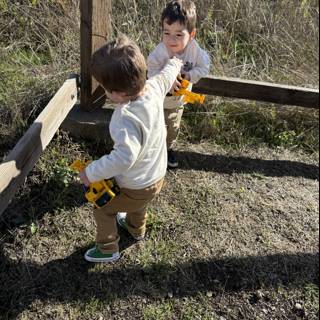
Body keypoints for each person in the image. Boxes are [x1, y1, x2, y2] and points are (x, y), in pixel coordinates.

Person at [79, 35, 183, 263]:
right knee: (139, 203)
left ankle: (108, 248)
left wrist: (91, 172)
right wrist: (175, 62)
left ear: (119, 94)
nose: (106, 93)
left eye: (106, 88)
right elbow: (166, 76)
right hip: (156, 175)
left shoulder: (125, 118)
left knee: (103, 208)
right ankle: (136, 228)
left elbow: (123, 158)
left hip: (136, 185)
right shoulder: (153, 87)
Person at [147, 0, 210, 168]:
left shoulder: (195, 51)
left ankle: (167, 149)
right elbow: (151, 70)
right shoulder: (160, 52)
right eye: (166, 33)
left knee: (172, 127)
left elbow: (205, 67)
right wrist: (165, 78)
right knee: (155, 126)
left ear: (192, 34)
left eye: (178, 34)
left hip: (178, 102)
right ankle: (153, 152)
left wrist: (189, 75)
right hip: (158, 101)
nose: (171, 40)